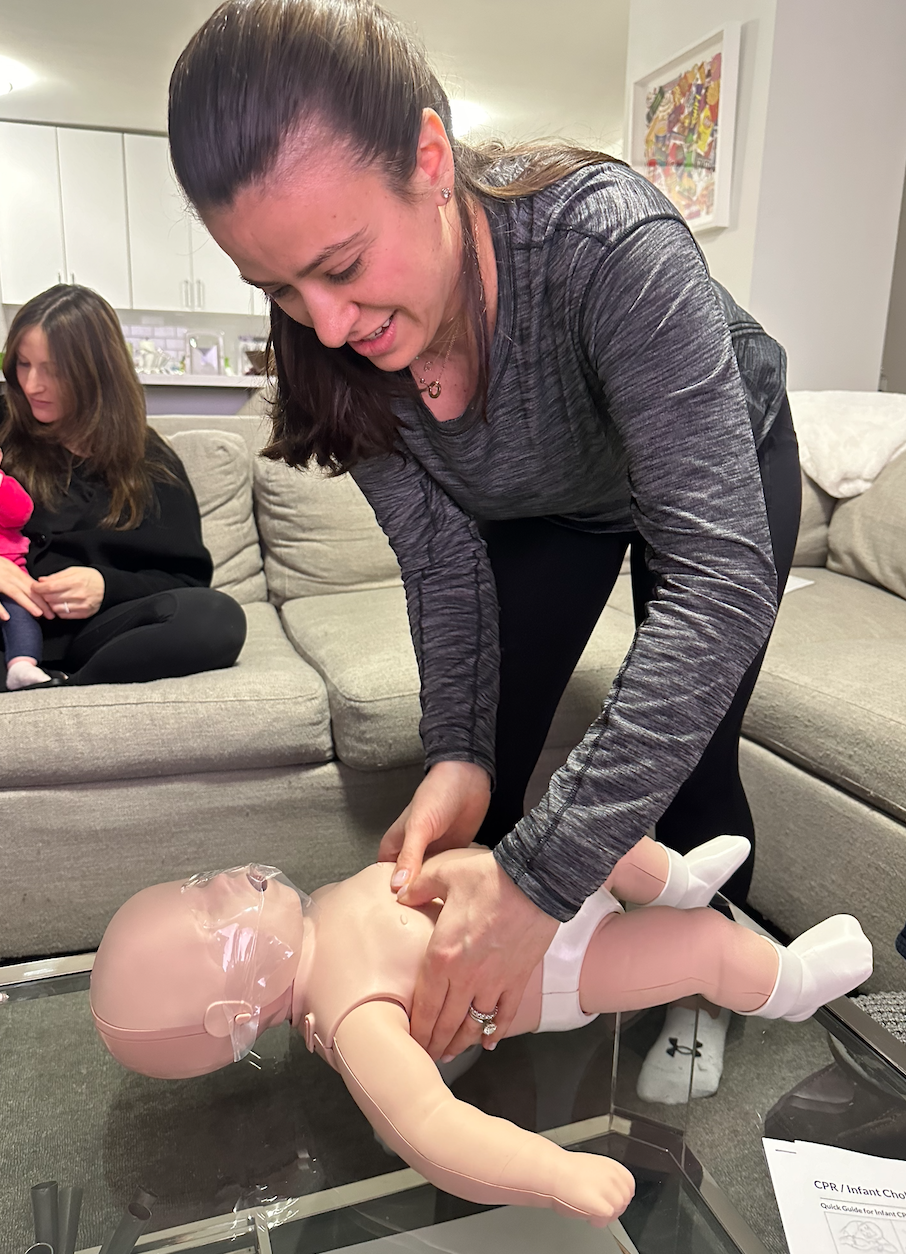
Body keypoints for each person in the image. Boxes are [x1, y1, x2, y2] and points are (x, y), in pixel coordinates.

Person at [166, 0, 802, 1084]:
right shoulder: (328, 339)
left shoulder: (609, 244)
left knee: (690, 756)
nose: (326, 323)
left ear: (429, 159)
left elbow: (717, 586)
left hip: (719, 465)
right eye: (277, 287)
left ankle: (704, 985)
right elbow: (442, 563)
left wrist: (542, 880)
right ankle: (487, 987)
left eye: (344, 263)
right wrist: (459, 753)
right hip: (563, 498)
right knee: (486, 766)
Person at [90, 837, 872, 1230]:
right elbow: (430, 1129)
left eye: (196, 886)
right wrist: (553, 1173)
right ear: (232, 1015)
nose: (222, 883)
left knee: (591, 822)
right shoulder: (351, 1013)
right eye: (210, 916)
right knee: (697, 945)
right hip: (561, 963)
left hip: (528, 881)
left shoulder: (320, 911)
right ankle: (791, 984)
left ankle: (676, 878)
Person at [0, 285, 247, 687]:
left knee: (218, 617)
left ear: (97, 372)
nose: (31, 385)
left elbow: (185, 581)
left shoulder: (149, 461)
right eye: (23, 364)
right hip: (7, 624)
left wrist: (105, 586)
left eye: (53, 370)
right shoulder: (4, 425)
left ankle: (63, 682)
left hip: (95, 636)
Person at [0, 445, 60, 689]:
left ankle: (22, 665)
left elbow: (20, 514)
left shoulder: (6, 486)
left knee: (22, 617)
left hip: (12, 572)